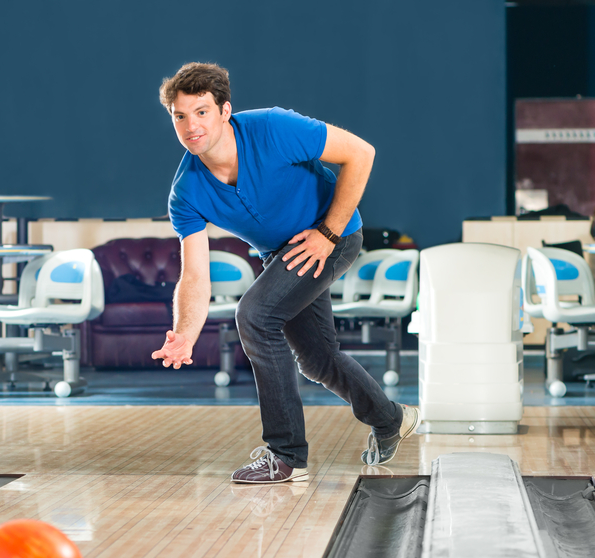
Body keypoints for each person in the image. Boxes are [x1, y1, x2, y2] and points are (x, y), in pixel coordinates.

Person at [152, 62, 419, 483]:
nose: (191, 126)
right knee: (316, 360)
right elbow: (195, 275)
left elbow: (360, 153)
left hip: (333, 235)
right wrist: (184, 332)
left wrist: (328, 233)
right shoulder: (186, 192)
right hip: (283, 254)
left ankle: (285, 455)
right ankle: (391, 419)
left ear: (225, 111)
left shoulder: (274, 129)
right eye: (180, 116)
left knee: (255, 316)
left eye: (201, 112)